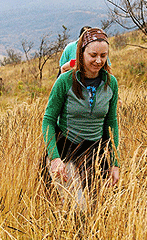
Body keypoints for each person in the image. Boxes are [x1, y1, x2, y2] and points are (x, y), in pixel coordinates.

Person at [43, 27, 120, 201]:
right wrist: (54, 158)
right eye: (93, 55)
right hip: (66, 149)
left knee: (96, 208)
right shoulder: (65, 81)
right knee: (75, 207)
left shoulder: (111, 83)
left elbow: (111, 123)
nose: (98, 61)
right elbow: (48, 120)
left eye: (103, 55)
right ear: (81, 53)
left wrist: (115, 163)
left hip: (95, 151)